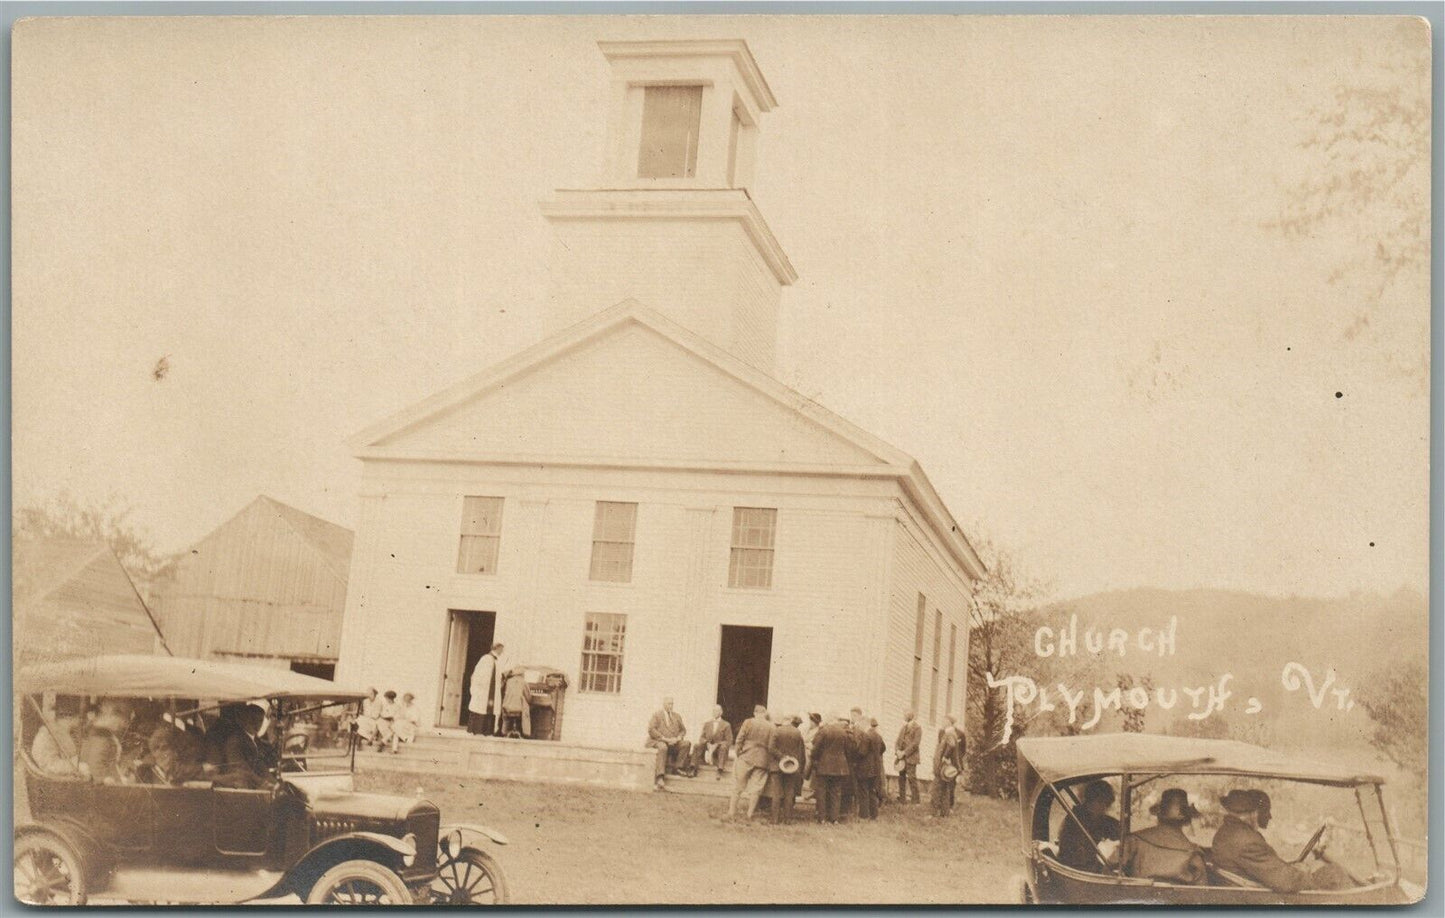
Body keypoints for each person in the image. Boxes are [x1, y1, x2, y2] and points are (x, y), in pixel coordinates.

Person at [1211, 789, 1352, 892]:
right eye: (1265, 812)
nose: (1269, 817)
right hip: (1259, 899)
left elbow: (1266, 868)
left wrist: (1292, 868)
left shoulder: (1226, 833)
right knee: (1334, 873)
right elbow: (1286, 882)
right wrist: (1313, 877)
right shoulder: (1246, 841)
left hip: (1250, 890)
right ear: (1254, 813)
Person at [1122, 788, 1208, 884]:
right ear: (1187, 820)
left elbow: (1108, 871)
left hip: (1136, 897)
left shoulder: (1134, 841)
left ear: (1159, 815)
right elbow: (1201, 890)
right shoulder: (1194, 853)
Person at [1056, 779, 1122, 871]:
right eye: (1100, 802)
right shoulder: (1075, 820)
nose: (1104, 807)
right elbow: (1077, 856)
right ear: (1090, 800)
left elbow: (1116, 830)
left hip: (1091, 866)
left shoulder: (1099, 818)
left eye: (1106, 804)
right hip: (1076, 869)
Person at [729, 705, 774, 820]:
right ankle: (749, 814)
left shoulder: (748, 722)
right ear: (764, 713)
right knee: (756, 788)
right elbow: (772, 746)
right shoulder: (771, 726)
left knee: (738, 784)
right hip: (762, 760)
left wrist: (739, 753)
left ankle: (731, 811)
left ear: (755, 713)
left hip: (746, 756)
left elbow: (739, 739)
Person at [214, 704, 273, 789]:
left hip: (250, 784)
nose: (256, 724)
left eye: (260, 720)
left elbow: (260, 765)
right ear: (244, 719)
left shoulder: (256, 741)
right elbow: (241, 768)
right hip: (234, 787)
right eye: (252, 720)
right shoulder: (235, 741)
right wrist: (263, 782)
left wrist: (273, 782)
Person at [808, 712, 852, 824]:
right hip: (840, 767)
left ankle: (822, 818)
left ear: (828, 720)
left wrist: (814, 758)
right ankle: (834, 819)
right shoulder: (843, 733)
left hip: (824, 766)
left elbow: (816, 748)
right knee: (836, 792)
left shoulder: (823, 731)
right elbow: (848, 751)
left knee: (822, 792)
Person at [80, 699, 133, 783]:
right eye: (120, 716)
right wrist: (107, 779)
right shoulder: (100, 738)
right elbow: (95, 765)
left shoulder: (101, 735)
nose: (123, 723)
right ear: (109, 714)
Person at [767, 712, 806, 824]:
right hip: (792, 766)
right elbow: (801, 752)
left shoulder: (777, 731)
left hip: (777, 766)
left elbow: (771, 748)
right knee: (789, 793)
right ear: (790, 720)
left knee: (776, 793)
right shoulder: (797, 732)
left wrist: (782, 757)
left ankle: (774, 819)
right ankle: (787, 819)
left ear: (783, 720)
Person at [645, 697, 692, 790]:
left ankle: (678, 767)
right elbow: (651, 730)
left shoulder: (677, 716)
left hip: (673, 742)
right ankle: (660, 777)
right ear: (664, 704)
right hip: (659, 741)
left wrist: (678, 738)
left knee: (686, 744)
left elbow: (683, 730)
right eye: (668, 704)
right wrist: (665, 739)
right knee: (663, 748)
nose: (670, 706)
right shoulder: (657, 715)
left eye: (672, 704)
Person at [137, 725, 204, 786]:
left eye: (165, 748)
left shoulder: (184, 770)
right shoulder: (146, 771)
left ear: (175, 752)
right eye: (156, 748)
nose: (160, 752)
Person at [930, 715, 964, 818]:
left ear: (949, 722)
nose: (942, 722)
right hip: (945, 767)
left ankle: (934, 814)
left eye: (944, 721)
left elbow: (952, 745)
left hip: (943, 767)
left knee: (936, 789)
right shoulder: (951, 733)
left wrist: (945, 757)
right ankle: (944, 814)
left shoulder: (949, 734)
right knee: (945, 790)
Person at [467, 643, 505, 736]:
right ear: (497, 648)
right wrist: (478, 689)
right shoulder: (485, 659)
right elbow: (478, 675)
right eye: (501, 650)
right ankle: (477, 730)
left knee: (490, 709)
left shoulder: (497, 661)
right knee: (481, 708)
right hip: (483, 692)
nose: (502, 652)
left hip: (491, 693)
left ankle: (487, 731)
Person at [690, 705, 734, 780]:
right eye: (714, 711)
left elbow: (729, 741)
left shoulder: (726, 725)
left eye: (717, 711)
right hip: (707, 746)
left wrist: (717, 745)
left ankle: (719, 770)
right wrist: (706, 742)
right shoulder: (707, 723)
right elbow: (701, 737)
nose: (715, 712)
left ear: (721, 712)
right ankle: (693, 768)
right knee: (697, 746)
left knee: (723, 747)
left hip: (718, 748)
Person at [852, 713, 881, 820]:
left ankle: (863, 815)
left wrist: (855, 756)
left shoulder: (866, 736)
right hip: (875, 768)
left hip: (865, 768)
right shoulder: (877, 736)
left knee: (863, 791)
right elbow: (882, 749)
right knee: (871, 791)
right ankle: (874, 815)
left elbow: (862, 752)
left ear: (865, 724)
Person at [895, 710, 922, 804]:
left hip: (911, 757)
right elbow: (898, 740)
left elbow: (915, 744)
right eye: (905, 714)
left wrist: (904, 753)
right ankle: (902, 799)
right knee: (901, 778)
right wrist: (897, 751)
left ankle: (916, 800)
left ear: (911, 716)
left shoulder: (917, 728)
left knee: (912, 778)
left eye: (906, 714)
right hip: (901, 758)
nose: (904, 716)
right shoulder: (904, 727)